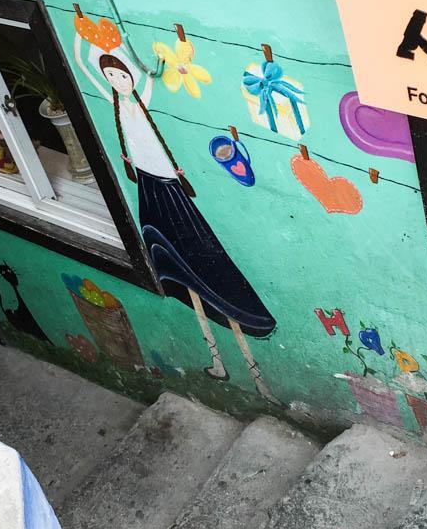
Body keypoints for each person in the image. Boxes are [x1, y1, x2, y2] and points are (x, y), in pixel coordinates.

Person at [75, 39, 278, 403]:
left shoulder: (141, 98)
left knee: (210, 273)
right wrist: (83, 37)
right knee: (184, 280)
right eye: (110, 75)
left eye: (119, 73)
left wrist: (160, 50)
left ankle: (257, 375)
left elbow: (151, 74)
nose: (115, 79)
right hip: (149, 193)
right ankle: (217, 360)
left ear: (131, 75)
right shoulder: (116, 105)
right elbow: (84, 68)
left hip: (171, 194)